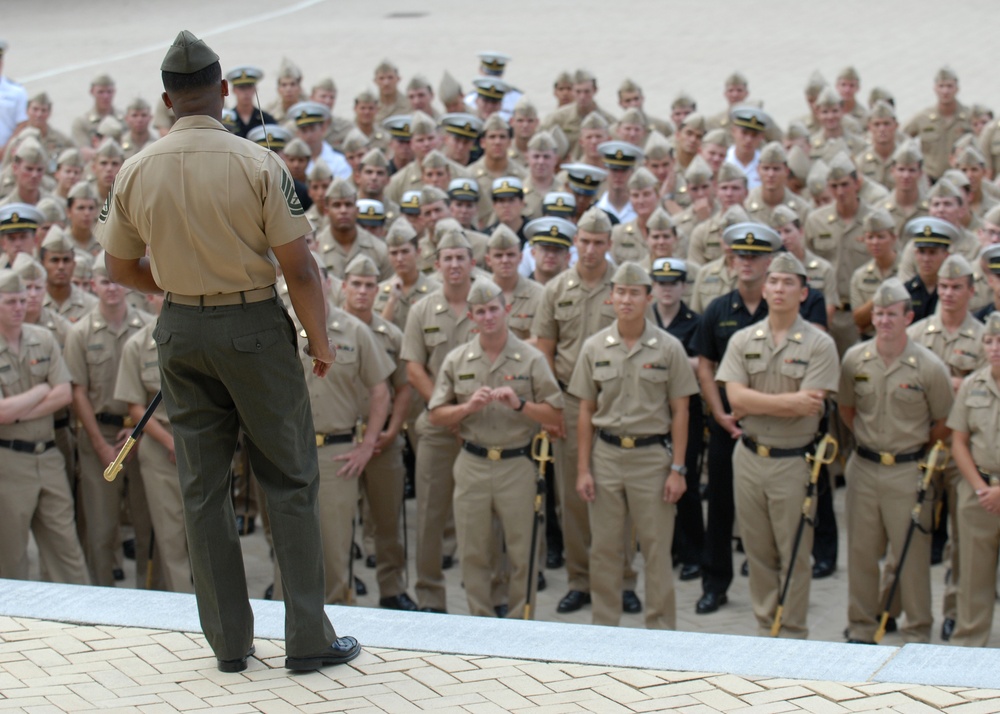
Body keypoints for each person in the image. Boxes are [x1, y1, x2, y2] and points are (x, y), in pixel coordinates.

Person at [95, 30, 359, 673]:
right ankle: (306, 638)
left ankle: (229, 644)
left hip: (181, 331)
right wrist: (319, 341)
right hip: (254, 330)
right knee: (290, 478)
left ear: (166, 100)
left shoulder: (135, 168)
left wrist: (177, 287)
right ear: (221, 91)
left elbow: (118, 265)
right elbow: (300, 268)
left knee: (202, 488)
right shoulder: (256, 162)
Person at [570, 261, 697, 629]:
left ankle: (660, 632)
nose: (626, 300)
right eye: (620, 292)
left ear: (649, 296)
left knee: (657, 550)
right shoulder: (594, 347)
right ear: (611, 297)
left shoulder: (668, 348)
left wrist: (678, 468)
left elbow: (681, 411)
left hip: (652, 461)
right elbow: (585, 411)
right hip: (606, 456)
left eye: (635, 293)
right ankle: (605, 628)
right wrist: (583, 469)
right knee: (606, 549)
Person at [718, 252, 839, 637]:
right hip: (750, 457)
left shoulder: (819, 344)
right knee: (758, 551)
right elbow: (735, 402)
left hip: (794, 461)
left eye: (789, 283)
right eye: (774, 281)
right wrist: (788, 403)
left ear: (804, 292)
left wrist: (755, 401)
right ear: (765, 288)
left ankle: (793, 632)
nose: (779, 289)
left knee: (795, 554)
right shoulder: (742, 339)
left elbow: (811, 407)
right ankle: (765, 626)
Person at [429, 280, 562, 618]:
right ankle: (480, 622)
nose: (488, 317)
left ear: (506, 310)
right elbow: (435, 414)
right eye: (481, 311)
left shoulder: (531, 358)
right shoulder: (458, 359)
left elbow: (556, 414)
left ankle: (520, 622)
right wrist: (465, 409)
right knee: (474, 553)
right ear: (472, 317)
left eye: (494, 309)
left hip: (517, 463)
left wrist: (520, 405)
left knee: (522, 552)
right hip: (472, 462)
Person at [532, 206, 640, 615]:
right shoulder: (556, 289)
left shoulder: (626, 285)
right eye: (585, 241)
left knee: (619, 496)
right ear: (574, 242)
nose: (591, 249)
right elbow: (544, 350)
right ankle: (580, 579)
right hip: (571, 401)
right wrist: (553, 406)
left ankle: (623, 579)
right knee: (574, 498)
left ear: (610, 244)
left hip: (619, 404)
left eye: (599, 242)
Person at [839, 278, 953, 644]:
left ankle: (917, 628)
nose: (884, 320)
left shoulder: (928, 366)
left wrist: (911, 446)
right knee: (860, 552)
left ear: (909, 317)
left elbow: (943, 423)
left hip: (908, 470)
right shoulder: (855, 358)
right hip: (864, 466)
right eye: (879, 313)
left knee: (912, 554)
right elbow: (847, 409)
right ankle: (861, 625)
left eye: (892, 314)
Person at [693, 221, 776, 614]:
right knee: (721, 509)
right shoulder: (718, 309)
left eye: (755, 256)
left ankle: (774, 589)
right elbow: (705, 365)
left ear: (769, 261)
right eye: (741, 255)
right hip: (727, 427)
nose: (747, 262)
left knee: (769, 510)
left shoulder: (781, 310)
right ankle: (715, 583)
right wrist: (719, 411)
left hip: (772, 427)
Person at [400, 229, 479, 612]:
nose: (454, 264)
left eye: (460, 257)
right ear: (437, 264)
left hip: (485, 427)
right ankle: (430, 596)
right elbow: (413, 367)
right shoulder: (422, 310)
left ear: (472, 262)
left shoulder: (490, 304)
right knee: (430, 513)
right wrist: (444, 409)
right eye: (447, 258)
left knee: (485, 516)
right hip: (437, 427)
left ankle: (488, 595)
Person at [0, 268, 90, 585]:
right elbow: (1, 413)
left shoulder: (43, 338)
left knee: (68, 552)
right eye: (10, 301)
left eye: (22, 300)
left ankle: (82, 620)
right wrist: (40, 392)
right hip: (9, 462)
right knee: (11, 558)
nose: (19, 307)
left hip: (49, 456)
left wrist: (20, 407)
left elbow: (64, 393)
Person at [947, 312, 1000, 646]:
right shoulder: (972, 385)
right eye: (989, 340)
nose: (995, 347)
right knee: (972, 578)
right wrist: (983, 488)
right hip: (979, 493)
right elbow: (958, 441)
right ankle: (969, 649)